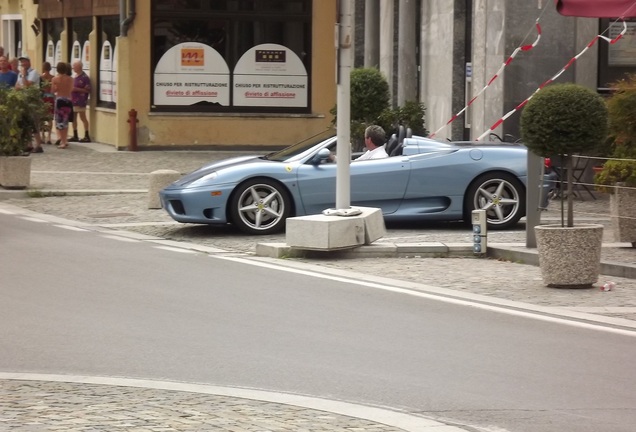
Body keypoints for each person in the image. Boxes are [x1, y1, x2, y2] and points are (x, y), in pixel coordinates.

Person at [15, 56, 44, 153]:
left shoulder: (33, 73)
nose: (23, 64)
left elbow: (27, 85)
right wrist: (21, 81)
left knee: (34, 123)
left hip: (33, 101)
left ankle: (39, 145)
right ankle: (29, 145)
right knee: (26, 123)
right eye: (21, 62)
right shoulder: (20, 74)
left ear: (29, 62)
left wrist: (23, 76)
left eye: (24, 62)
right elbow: (17, 86)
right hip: (24, 100)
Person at [51, 62, 74, 149]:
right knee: (65, 121)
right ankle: (65, 140)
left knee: (59, 122)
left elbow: (53, 91)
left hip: (60, 100)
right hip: (68, 100)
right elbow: (71, 89)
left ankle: (63, 141)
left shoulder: (55, 79)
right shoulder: (71, 79)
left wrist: (57, 88)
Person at [70, 61, 91, 142]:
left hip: (80, 101)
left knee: (83, 117)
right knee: (73, 118)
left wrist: (76, 89)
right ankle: (75, 135)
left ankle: (86, 135)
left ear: (80, 67)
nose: (73, 67)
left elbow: (88, 90)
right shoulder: (75, 76)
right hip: (73, 100)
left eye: (75, 66)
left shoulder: (85, 77)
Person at [40, 62, 55, 144]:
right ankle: (49, 136)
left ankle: (43, 136)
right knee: (50, 118)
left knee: (42, 117)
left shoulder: (41, 77)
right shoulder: (53, 78)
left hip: (43, 98)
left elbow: (40, 89)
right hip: (51, 98)